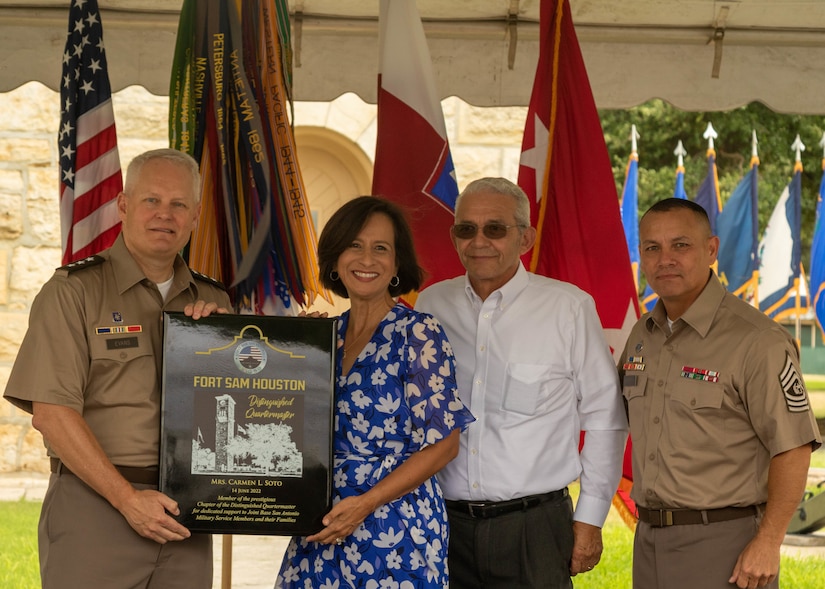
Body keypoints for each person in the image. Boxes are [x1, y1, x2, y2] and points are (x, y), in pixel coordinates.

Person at [3, 148, 232, 589]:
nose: (164, 215)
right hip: (96, 509)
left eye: (178, 204)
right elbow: (51, 414)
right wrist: (126, 500)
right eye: (151, 200)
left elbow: (246, 404)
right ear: (124, 205)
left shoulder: (214, 303)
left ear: (196, 215)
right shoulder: (72, 292)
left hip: (185, 515)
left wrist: (225, 341)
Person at [415, 177, 628, 588]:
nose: (479, 241)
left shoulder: (568, 307)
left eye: (495, 228)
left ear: (525, 238)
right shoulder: (431, 304)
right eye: (466, 229)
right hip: (444, 523)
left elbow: (604, 417)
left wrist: (591, 518)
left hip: (535, 527)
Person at [620, 198, 822, 589]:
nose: (665, 259)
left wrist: (769, 540)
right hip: (648, 542)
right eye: (652, 248)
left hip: (727, 544)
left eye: (680, 245)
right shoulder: (642, 335)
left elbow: (793, 446)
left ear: (711, 249)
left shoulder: (757, 340)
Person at [275, 196, 475, 589]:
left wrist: (365, 504)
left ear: (397, 264)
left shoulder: (418, 333)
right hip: (320, 522)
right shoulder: (322, 338)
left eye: (380, 248)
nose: (366, 259)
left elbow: (445, 445)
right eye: (354, 245)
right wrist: (292, 354)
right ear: (335, 259)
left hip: (394, 527)